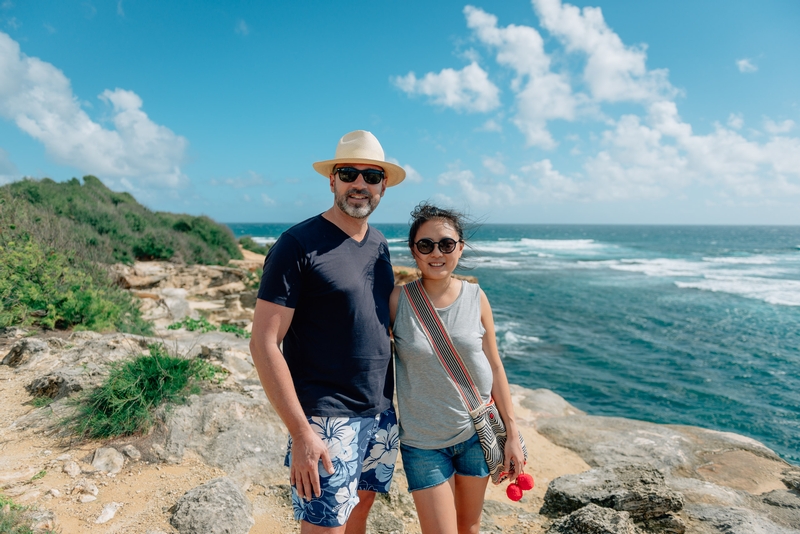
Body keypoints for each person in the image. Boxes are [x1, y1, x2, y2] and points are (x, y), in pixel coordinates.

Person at [250, 130, 405, 534]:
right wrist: (301, 432)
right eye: (349, 173)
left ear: (383, 186)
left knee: (360, 511)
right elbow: (265, 343)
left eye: (371, 177)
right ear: (332, 179)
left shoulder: (380, 244)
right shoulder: (297, 244)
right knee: (325, 526)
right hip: (325, 417)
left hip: (379, 409)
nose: (360, 184)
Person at [389, 203, 526, 534]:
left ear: (459, 249)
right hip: (422, 443)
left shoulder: (477, 297)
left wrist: (512, 435)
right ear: (414, 251)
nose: (437, 253)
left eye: (446, 244)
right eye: (426, 245)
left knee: (470, 527)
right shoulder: (397, 301)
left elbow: (495, 364)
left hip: (475, 435)